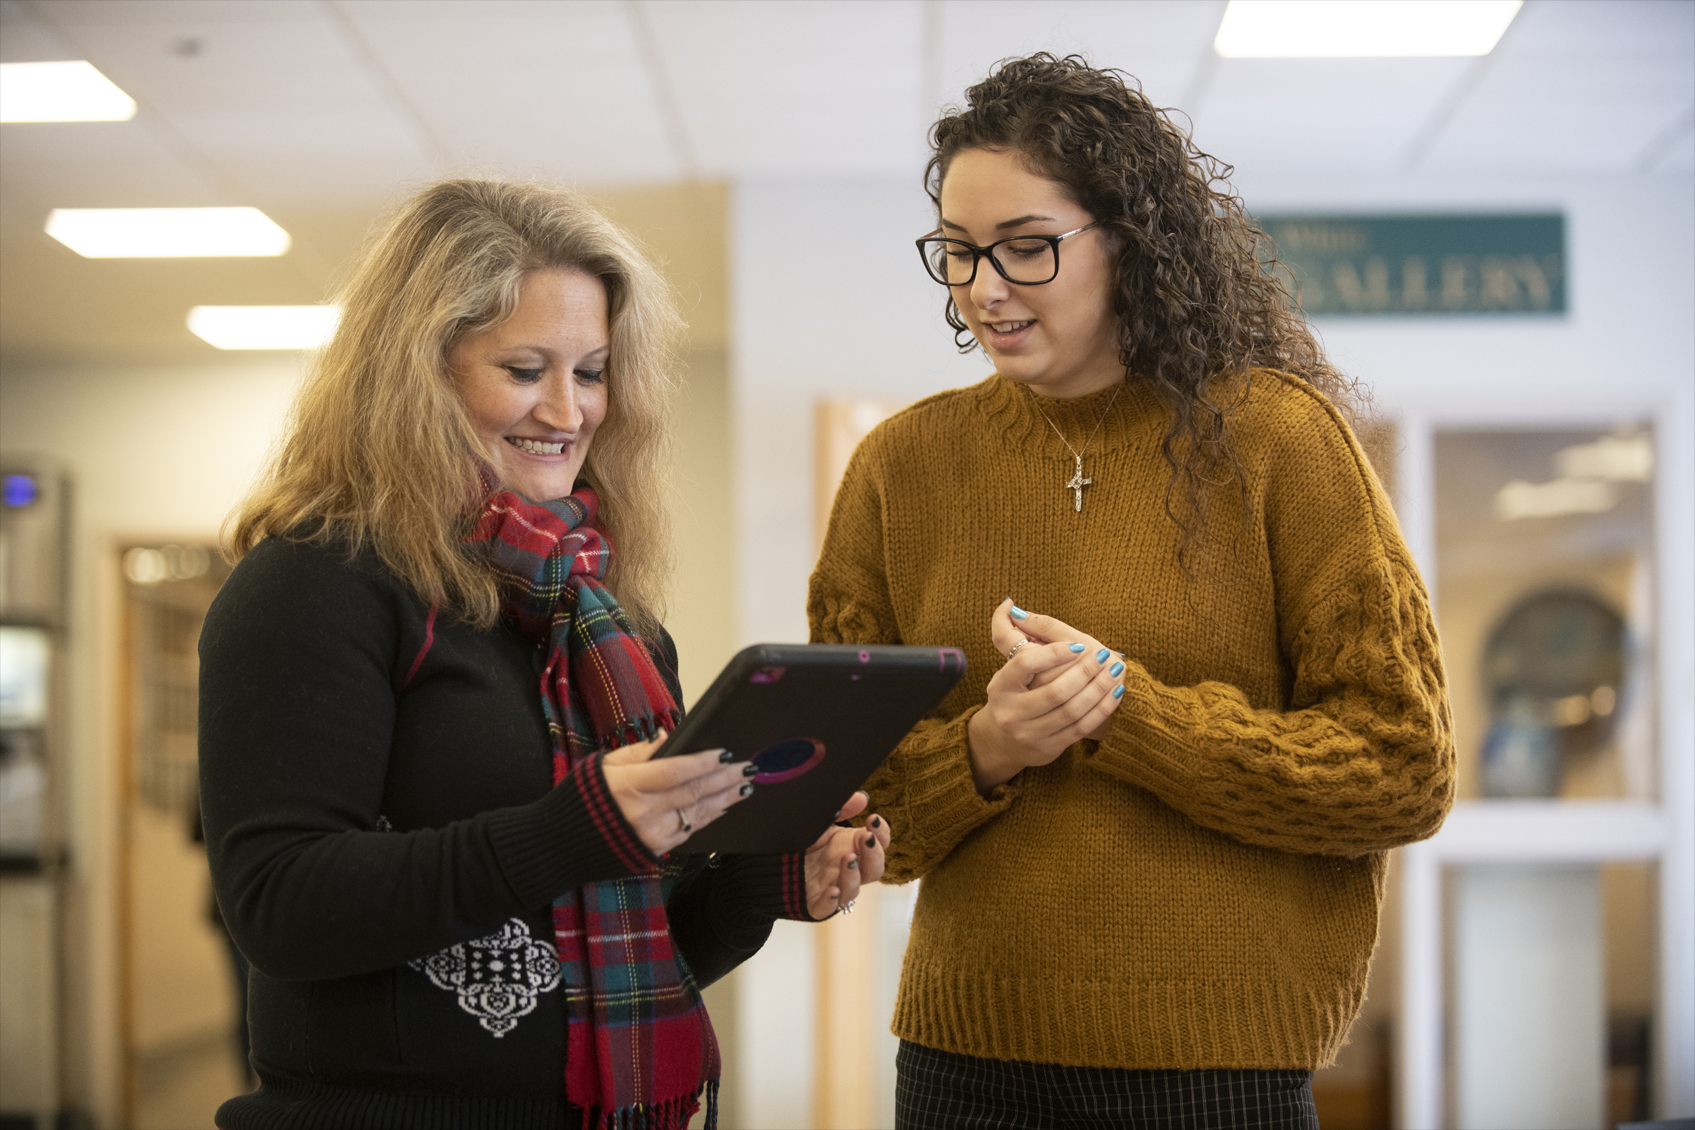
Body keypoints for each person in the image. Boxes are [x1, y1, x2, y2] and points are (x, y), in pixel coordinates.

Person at [809, 54, 1455, 1128]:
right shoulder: (896, 468)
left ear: (1131, 242)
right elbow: (852, 807)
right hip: (963, 1063)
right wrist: (988, 748)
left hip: (1223, 1072)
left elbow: (1401, 767)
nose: (984, 287)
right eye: (959, 253)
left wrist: (1128, 711)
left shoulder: (1280, 441)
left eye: (1026, 247)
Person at [200, 179, 890, 1130]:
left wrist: (763, 883)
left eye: (593, 371)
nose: (568, 411)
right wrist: (581, 823)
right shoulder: (317, 580)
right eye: (524, 369)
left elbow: (648, 949)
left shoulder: (614, 622)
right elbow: (281, 907)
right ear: (416, 374)